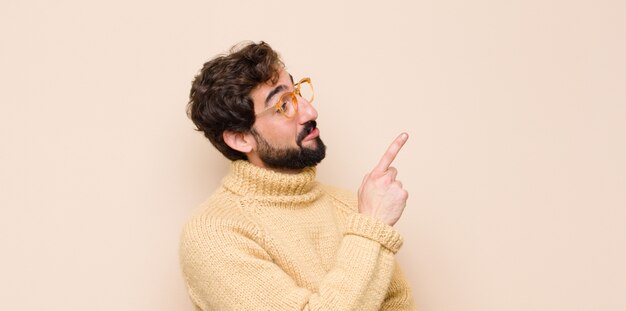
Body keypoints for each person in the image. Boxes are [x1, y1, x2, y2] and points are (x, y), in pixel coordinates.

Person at [180, 41, 416, 310]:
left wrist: (369, 223)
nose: (309, 112)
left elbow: (400, 301)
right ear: (240, 138)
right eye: (283, 105)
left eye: (297, 93)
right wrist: (373, 228)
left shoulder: (352, 207)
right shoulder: (214, 233)